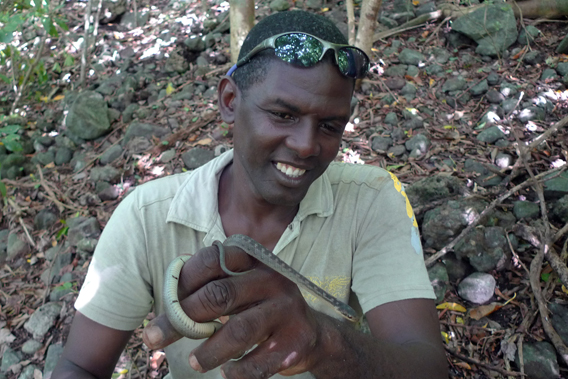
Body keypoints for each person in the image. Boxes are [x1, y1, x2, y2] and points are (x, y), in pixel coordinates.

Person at [53, 10, 447, 379]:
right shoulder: (147, 217)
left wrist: (322, 340)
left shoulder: (372, 200)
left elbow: (428, 366)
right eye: (283, 115)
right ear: (229, 101)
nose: (307, 145)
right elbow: (79, 365)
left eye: (329, 125)